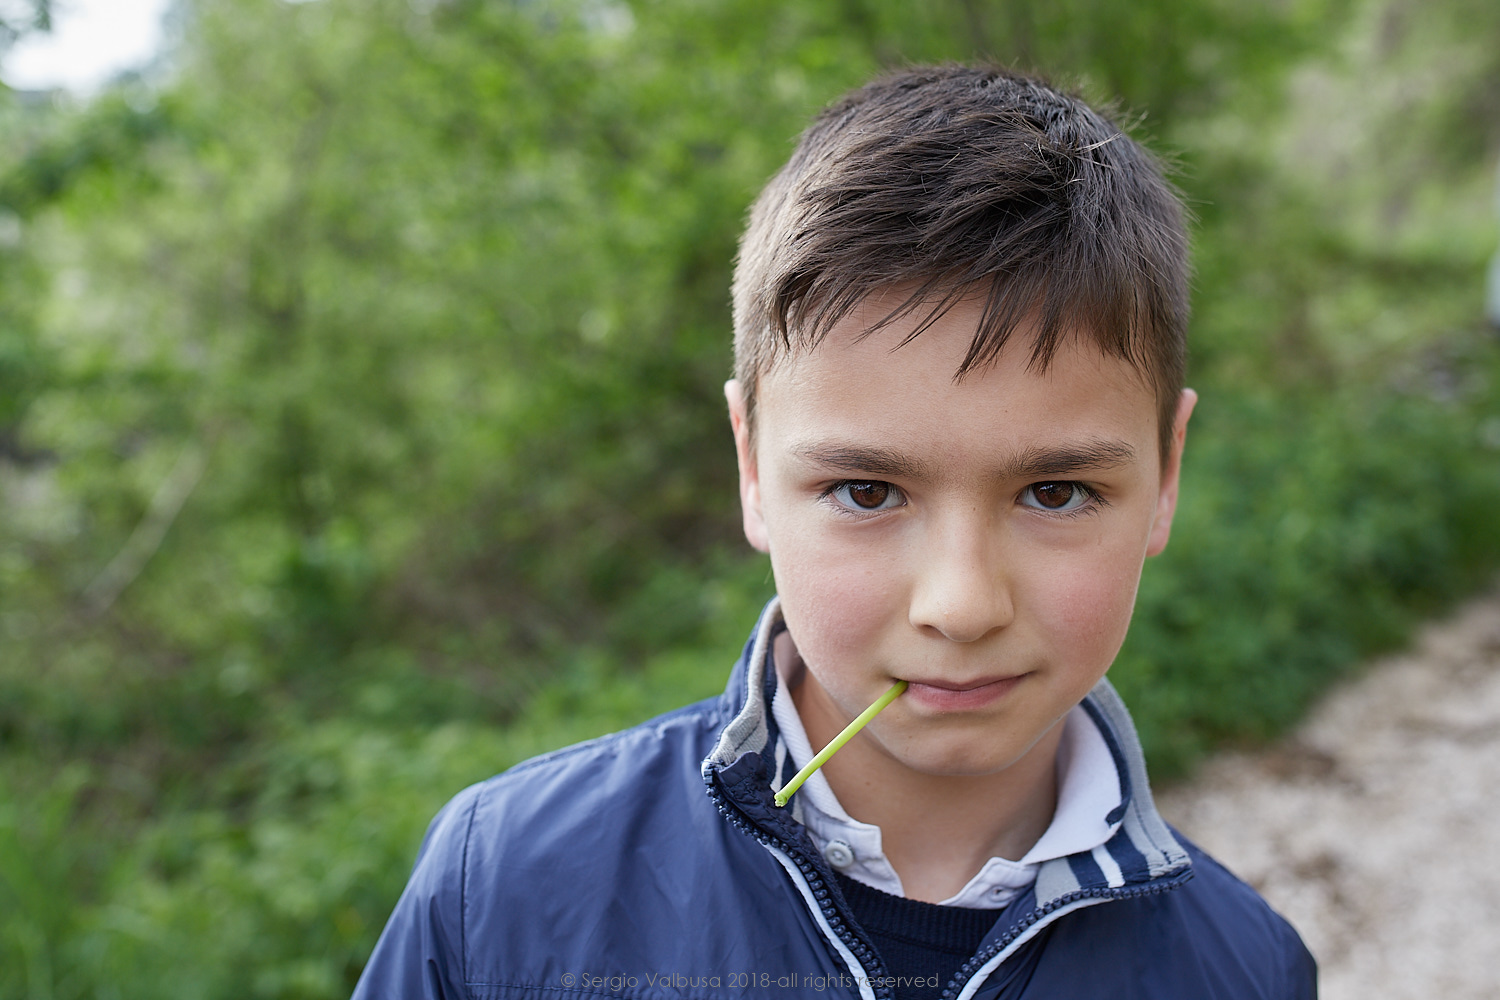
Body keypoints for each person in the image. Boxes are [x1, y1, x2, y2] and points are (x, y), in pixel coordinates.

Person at [352, 65, 1316, 999]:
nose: (962, 606)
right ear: (751, 468)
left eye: (1056, 492)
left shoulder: (1247, 971)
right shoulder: (501, 896)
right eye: (867, 491)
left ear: (1166, 475)